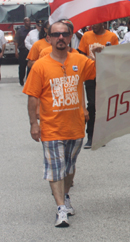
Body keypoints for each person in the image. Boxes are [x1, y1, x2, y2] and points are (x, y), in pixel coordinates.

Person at [23, 21, 103, 227]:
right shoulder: (40, 65)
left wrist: (101, 54)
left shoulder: (79, 60)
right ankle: (60, 208)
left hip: (75, 127)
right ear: (48, 38)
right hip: (51, 128)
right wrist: (34, 123)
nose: (60, 38)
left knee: (69, 168)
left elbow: (101, 72)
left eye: (65, 34)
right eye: (56, 34)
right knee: (55, 168)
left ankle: (65, 195)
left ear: (70, 38)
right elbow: (32, 97)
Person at [78, 22, 119, 149]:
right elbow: (80, 53)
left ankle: (101, 135)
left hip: (106, 75)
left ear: (103, 24)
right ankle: (90, 136)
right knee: (92, 104)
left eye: (96, 24)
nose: (93, 26)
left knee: (103, 106)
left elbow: (116, 54)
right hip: (91, 75)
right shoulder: (86, 36)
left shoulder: (112, 36)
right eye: (92, 24)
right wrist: (90, 58)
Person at [14, 17, 32, 86]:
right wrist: (16, 51)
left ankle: (28, 80)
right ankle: (21, 80)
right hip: (22, 51)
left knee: (30, 67)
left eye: (29, 21)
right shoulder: (20, 31)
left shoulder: (32, 31)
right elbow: (16, 41)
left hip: (30, 51)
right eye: (27, 21)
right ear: (24, 22)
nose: (29, 22)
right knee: (22, 66)